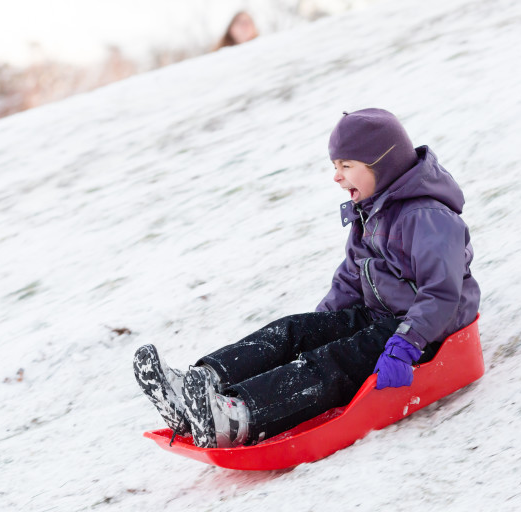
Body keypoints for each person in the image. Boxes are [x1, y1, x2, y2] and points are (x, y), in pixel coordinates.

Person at [133, 108, 481, 448]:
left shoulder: (428, 218)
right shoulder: (373, 212)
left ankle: (236, 417)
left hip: (424, 332)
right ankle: (200, 386)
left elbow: (442, 294)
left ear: (382, 163)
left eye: (346, 166)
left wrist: (407, 344)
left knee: (334, 362)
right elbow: (350, 279)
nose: (336, 176)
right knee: (294, 331)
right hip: (382, 318)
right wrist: (319, 326)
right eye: (335, 166)